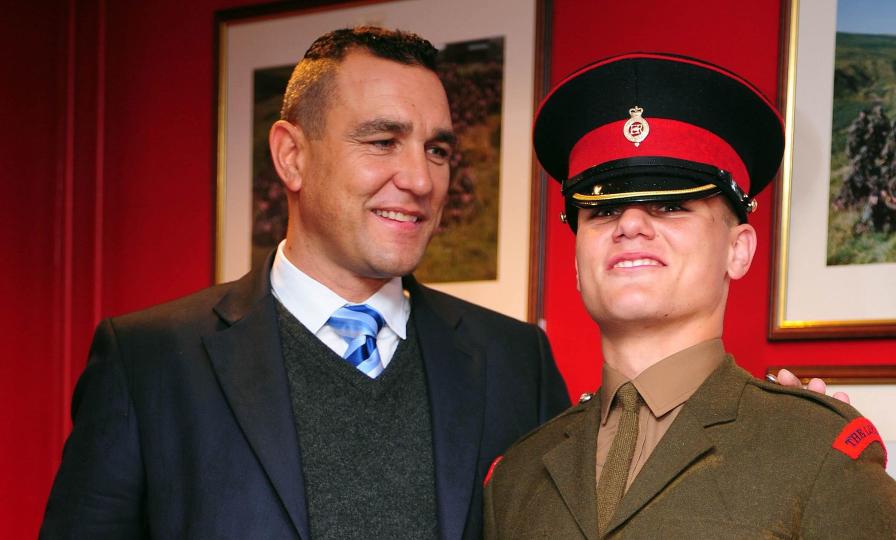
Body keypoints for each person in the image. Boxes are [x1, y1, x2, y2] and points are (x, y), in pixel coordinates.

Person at [40, 27, 571, 539]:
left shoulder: (517, 363)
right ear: (292, 157)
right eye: (384, 141)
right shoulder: (147, 363)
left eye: (437, 150)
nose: (420, 180)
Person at [483, 53, 896, 538]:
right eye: (603, 211)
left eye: (671, 205)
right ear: (575, 261)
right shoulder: (516, 476)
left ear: (738, 250)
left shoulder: (814, 449)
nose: (630, 225)